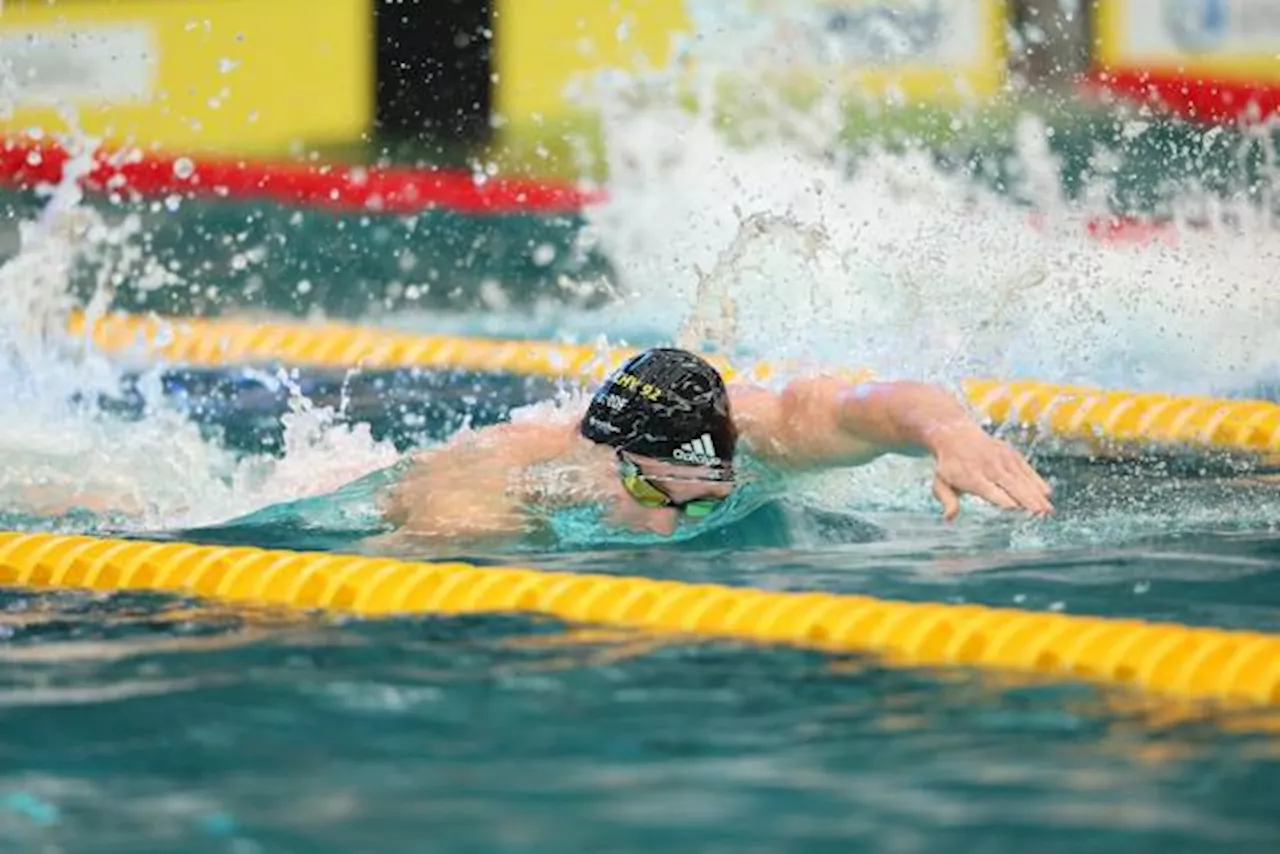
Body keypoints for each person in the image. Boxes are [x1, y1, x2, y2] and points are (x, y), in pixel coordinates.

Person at [369, 347, 1053, 552]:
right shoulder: (497, 475)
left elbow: (874, 404)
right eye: (649, 491)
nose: (666, 525)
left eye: (698, 502)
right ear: (604, 458)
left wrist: (953, 433)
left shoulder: (768, 431)